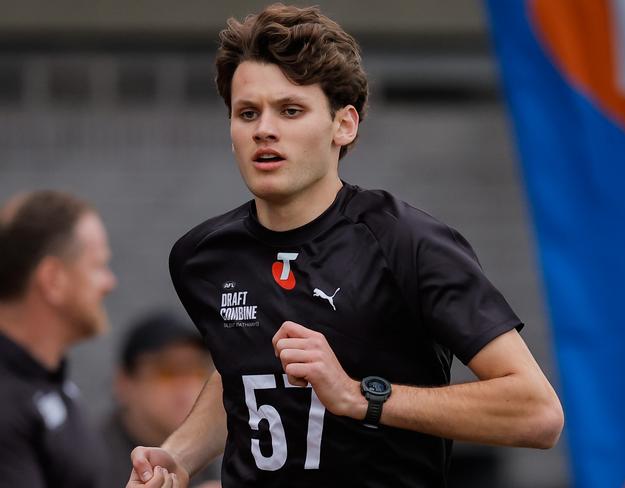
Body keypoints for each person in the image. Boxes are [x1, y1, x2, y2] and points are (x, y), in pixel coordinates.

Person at [127, 4, 565, 487]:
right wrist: (179, 455)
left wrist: (361, 397)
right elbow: (242, 374)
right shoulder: (201, 256)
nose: (264, 129)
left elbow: (537, 413)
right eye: (247, 112)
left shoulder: (409, 242)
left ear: (344, 125)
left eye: (290, 110)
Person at [0, 190, 117, 488]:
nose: (109, 283)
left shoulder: (47, 379)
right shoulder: (8, 403)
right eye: (98, 266)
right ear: (53, 279)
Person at [100, 310, 221, 488]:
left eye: (196, 369)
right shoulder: (91, 458)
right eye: (167, 371)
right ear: (124, 383)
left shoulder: (202, 452)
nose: (185, 386)